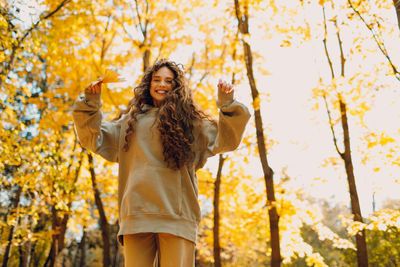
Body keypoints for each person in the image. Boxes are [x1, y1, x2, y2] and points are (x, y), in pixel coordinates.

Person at [72, 59, 250, 267]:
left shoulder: (191, 123)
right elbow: (93, 138)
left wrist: (227, 103)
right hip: (136, 214)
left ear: (177, 87)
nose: (162, 85)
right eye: (157, 80)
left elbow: (226, 138)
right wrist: (90, 104)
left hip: (176, 216)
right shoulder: (130, 122)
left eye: (169, 81)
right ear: (149, 84)